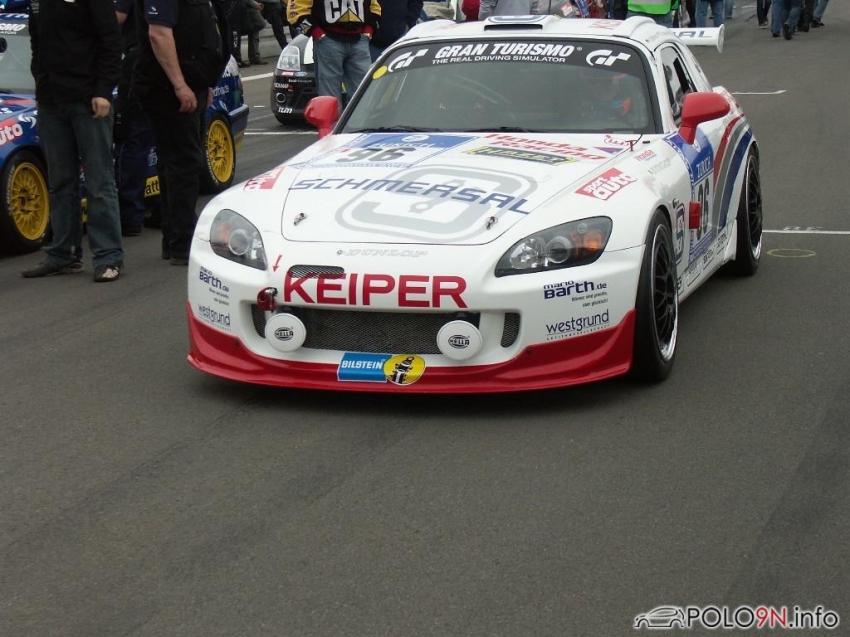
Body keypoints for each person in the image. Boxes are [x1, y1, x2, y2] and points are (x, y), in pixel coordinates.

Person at [24, 0, 125, 282]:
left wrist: (103, 90)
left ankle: (108, 257)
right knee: (60, 183)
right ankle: (63, 254)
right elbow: (37, 42)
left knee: (99, 183)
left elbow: (110, 42)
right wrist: (41, 84)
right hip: (50, 102)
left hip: (88, 101)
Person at [134, 0, 230, 265]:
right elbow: (159, 34)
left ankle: (175, 239)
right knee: (184, 164)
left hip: (189, 83)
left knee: (174, 164)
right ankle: (183, 243)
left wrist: (204, 83)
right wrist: (180, 85)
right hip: (169, 90)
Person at [114, 0, 159, 238]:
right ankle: (165, 209)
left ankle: (129, 215)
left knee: (132, 138)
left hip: (139, 59)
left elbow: (116, 18)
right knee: (164, 138)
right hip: (164, 55)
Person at [288, 0, 381, 105]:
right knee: (330, 97)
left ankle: (359, 116)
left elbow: (375, 8)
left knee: (364, 92)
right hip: (329, 41)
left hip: (358, 41)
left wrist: (369, 30)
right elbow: (295, 12)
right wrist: (317, 33)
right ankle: (332, 117)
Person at [242, 0, 269, 65]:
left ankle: (254, 57)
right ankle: (254, 56)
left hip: (252, 5)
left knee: (255, 30)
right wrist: (254, 3)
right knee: (259, 24)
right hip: (248, 6)